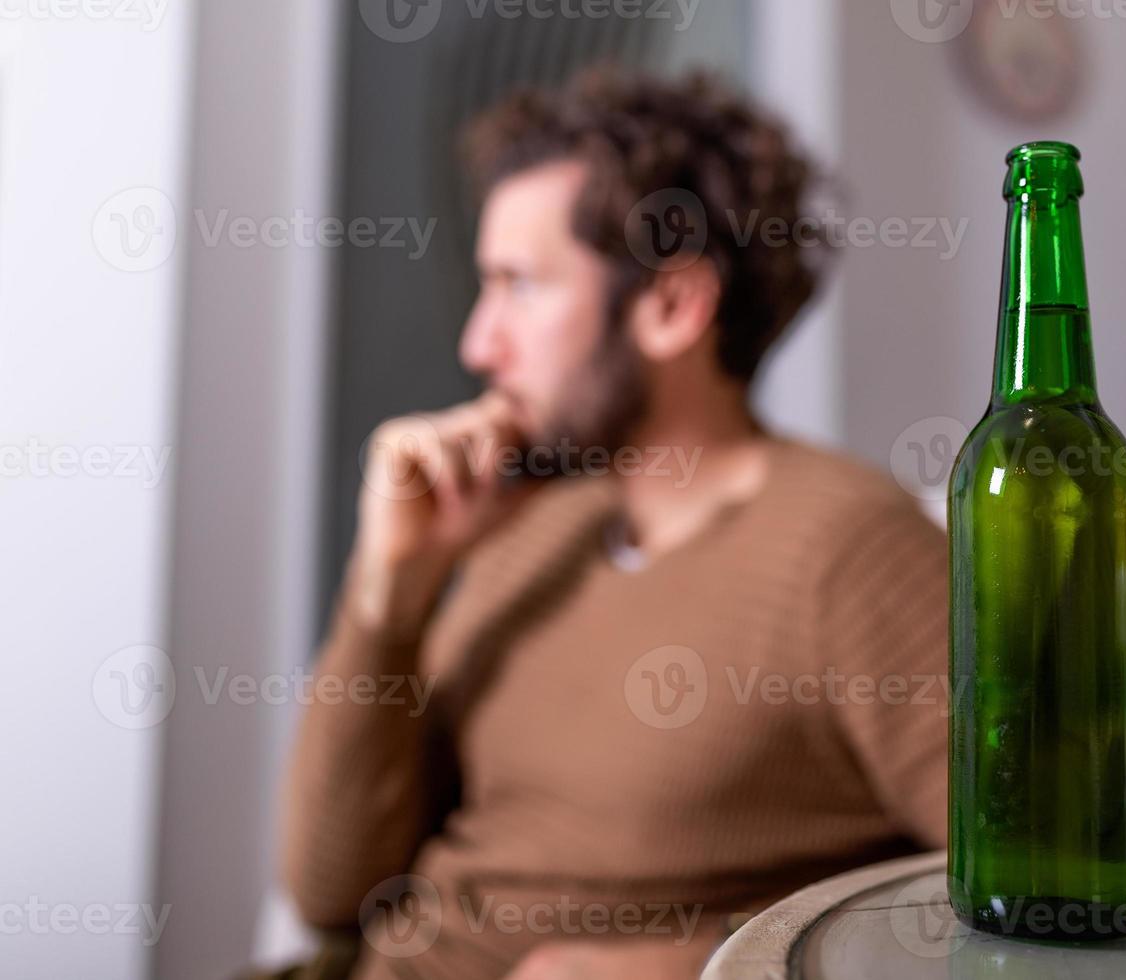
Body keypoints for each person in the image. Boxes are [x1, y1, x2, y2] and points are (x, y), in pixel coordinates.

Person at [276, 70, 951, 980]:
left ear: (671, 307)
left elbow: (1084, 885)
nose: (479, 345)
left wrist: (696, 964)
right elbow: (328, 890)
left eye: (519, 287)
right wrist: (389, 595)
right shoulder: (525, 532)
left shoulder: (853, 549)